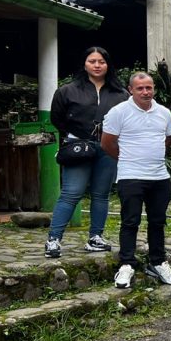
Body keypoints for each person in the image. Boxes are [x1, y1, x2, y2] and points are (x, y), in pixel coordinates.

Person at [44, 46, 127, 258]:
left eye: (101, 61)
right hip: (78, 146)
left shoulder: (120, 93)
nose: (97, 65)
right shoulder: (67, 90)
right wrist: (76, 134)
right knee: (71, 193)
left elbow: (126, 120)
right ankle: (53, 239)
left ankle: (95, 237)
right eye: (92, 61)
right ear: (84, 64)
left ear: (108, 64)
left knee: (101, 194)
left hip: (108, 148)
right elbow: (57, 118)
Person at [100, 72, 171, 289]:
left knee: (157, 221)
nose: (145, 92)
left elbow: (168, 140)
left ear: (154, 89)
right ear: (131, 89)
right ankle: (126, 263)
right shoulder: (118, 112)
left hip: (159, 177)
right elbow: (107, 143)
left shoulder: (163, 112)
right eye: (140, 88)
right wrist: (128, 159)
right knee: (130, 221)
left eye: (149, 88)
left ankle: (158, 261)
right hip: (130, 176)